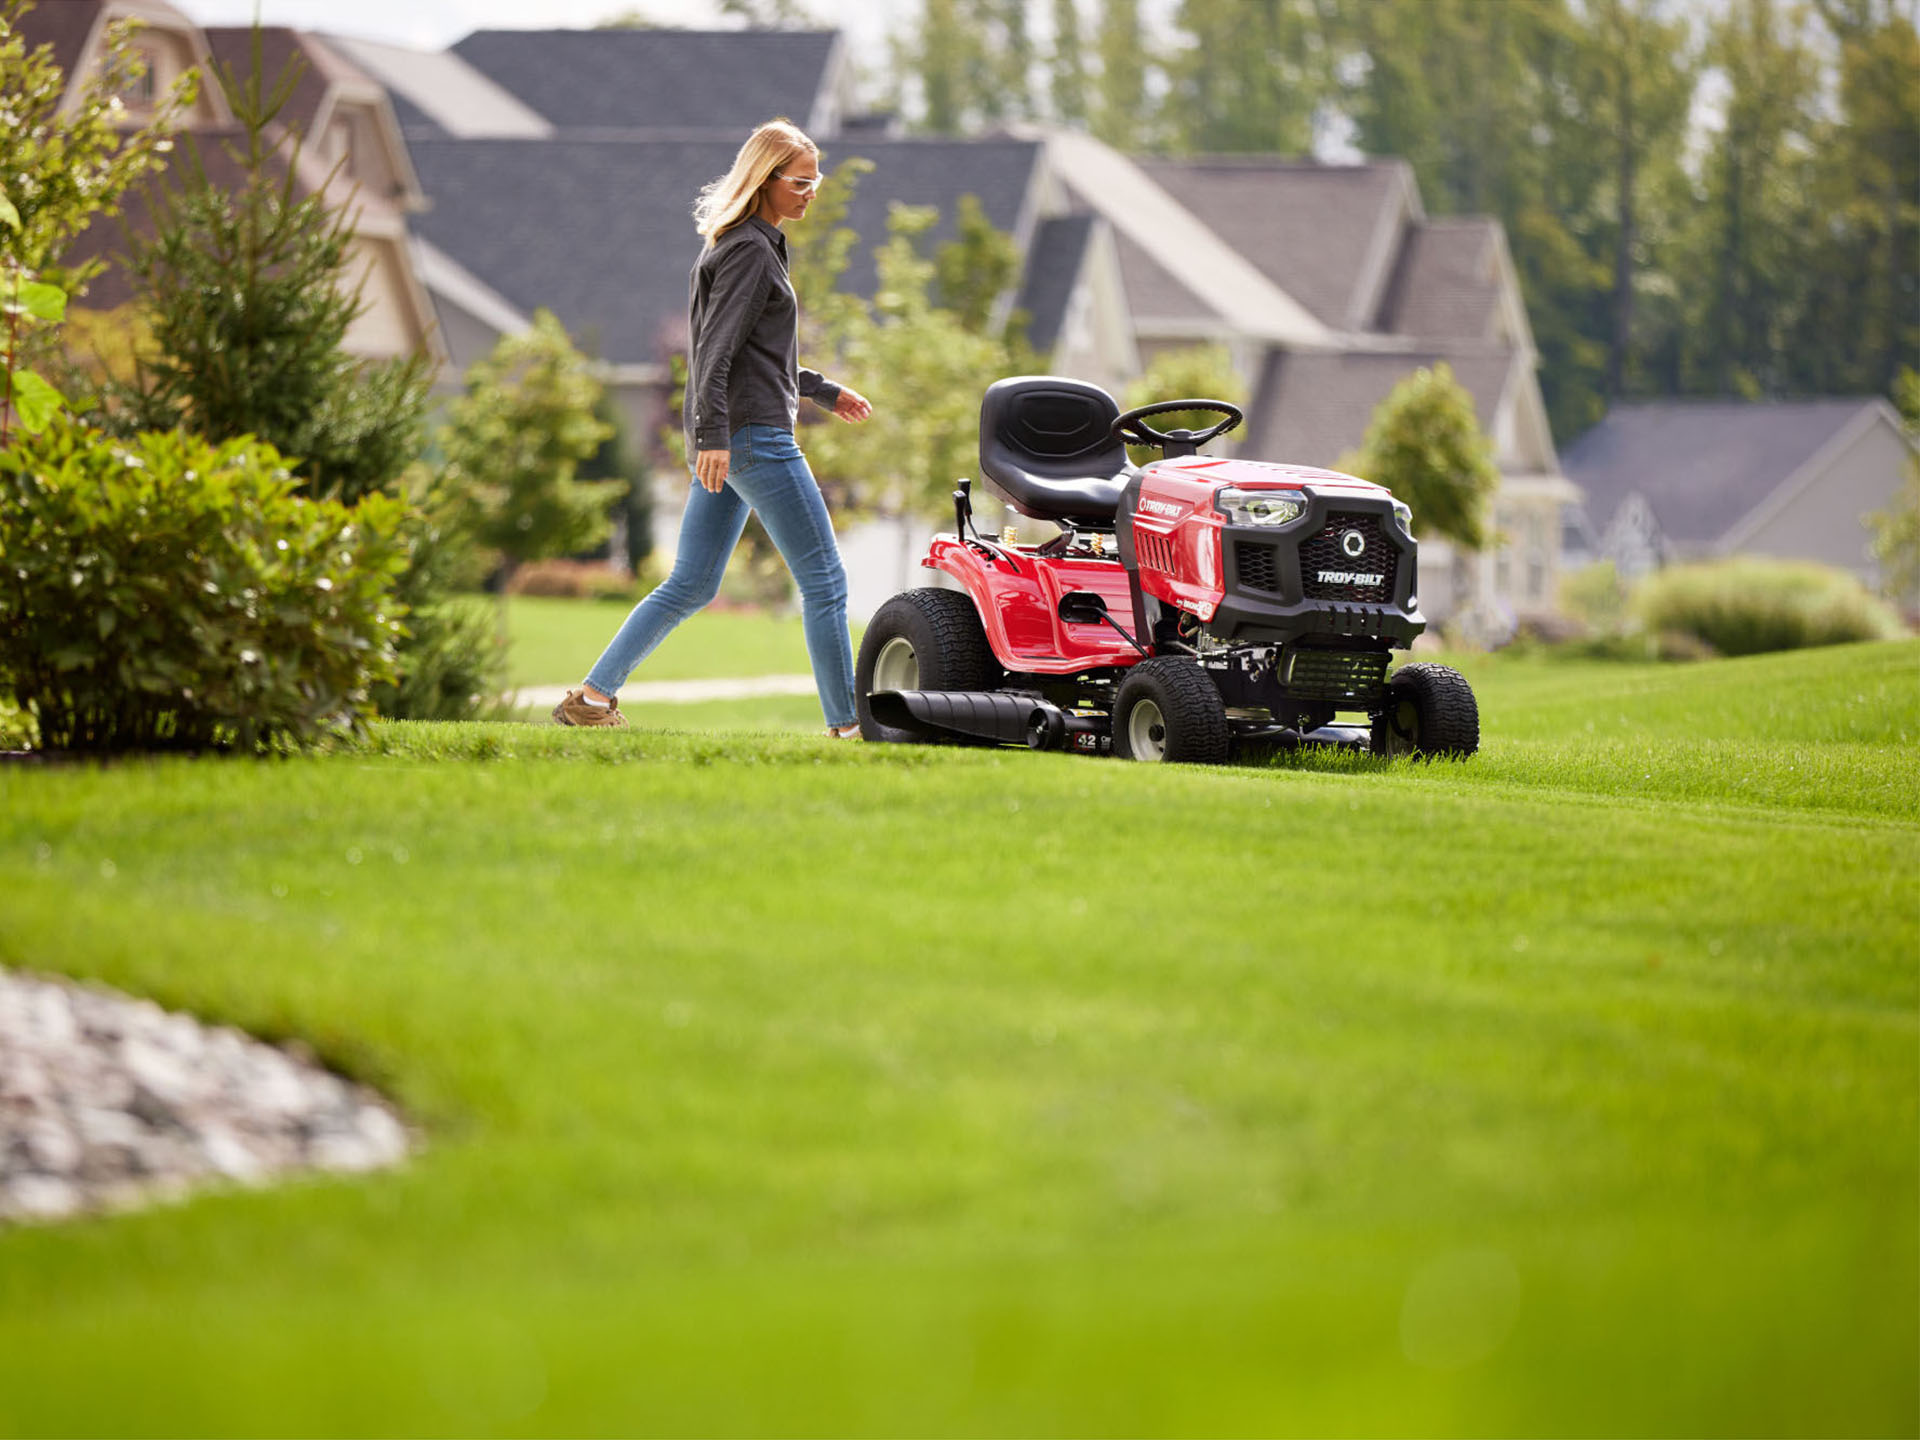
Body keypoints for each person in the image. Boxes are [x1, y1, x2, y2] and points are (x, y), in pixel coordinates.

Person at [551, 118, 872, 735]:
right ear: (766, 179)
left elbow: (756, 355)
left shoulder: (756, 243)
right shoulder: (750, 250)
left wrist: (823, 391)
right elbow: (715, 354)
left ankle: (591, 699)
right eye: (801, 182)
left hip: (737, 437)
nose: (812, 192)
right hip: (753, 440)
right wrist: (713, 438)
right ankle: (848, 725)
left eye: (817, 180)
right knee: (826, 581)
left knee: (692, 583)